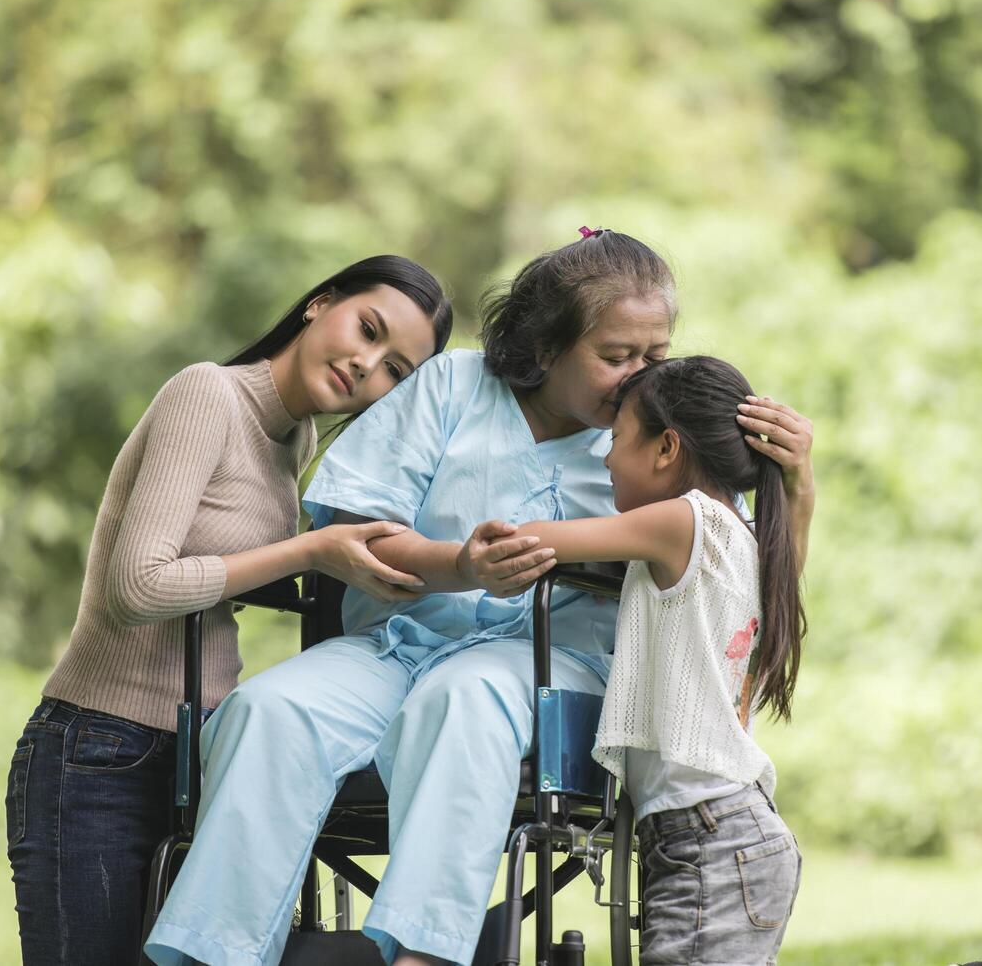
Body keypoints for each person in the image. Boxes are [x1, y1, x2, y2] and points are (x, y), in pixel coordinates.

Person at [144, 230, 814, 966]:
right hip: (394, 647)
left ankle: (422, 956)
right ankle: (213, 954)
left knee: (467, 694)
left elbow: (736, 575)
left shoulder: (651, 439)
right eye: (616, 356)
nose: (636, 377)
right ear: (544, 347)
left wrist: (796, 485)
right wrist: (463, 564)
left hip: (553, 668)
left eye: (653, 355)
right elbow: (356, 533)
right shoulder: (451, 387)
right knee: (268, 710)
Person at [4, 255, 454, 966]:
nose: (366, 366)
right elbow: (137, 589)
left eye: (396, 369)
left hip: (201, 754)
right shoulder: (206, 395)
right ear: (319, 304)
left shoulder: (295, 442)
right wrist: (308, 552)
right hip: (99, 753)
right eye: (366, 330)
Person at [513, 354, 809, 965]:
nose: (605, 457)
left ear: (667, 448)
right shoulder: (750, 541)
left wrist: (440, 549)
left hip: (707, 835)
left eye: (617, 438)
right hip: (724, 830)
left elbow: (539, 540)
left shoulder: (685, 520)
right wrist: (802, 485)